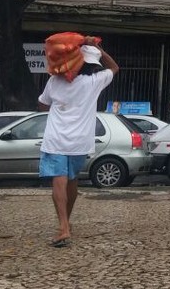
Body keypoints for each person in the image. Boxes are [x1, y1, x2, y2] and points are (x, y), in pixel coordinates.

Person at [38, 38, 119, 247]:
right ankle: (66, 223)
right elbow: (114, 67)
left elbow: (42, 105)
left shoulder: (54, 82)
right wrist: (99, 47)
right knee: (72, 182)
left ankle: (63, 226)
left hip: (56, 139)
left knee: (59, 181)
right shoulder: (94, 82)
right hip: (80, 142)